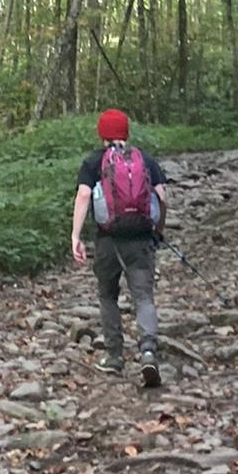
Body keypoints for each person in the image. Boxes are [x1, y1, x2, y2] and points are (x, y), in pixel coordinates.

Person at [70, 108, 168, 387]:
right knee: (143, 296)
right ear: (126, 132)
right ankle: (148, 352)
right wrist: (158, 230)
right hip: (140, 238)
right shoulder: (144, 159)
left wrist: (76, 236)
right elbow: (161, 196)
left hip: (107, 240)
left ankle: (114, 356)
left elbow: (84, 195)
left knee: (107, 295)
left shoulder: (94, 161)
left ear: (101, 134)